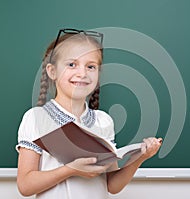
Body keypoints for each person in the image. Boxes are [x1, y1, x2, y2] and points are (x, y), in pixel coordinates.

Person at [16, 28, 162, 199]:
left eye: (91, 66)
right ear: (52, 71)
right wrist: (70, 170)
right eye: (72, 64)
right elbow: (25, 185)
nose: (82, 73)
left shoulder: (103, 121)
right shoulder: (36, 118)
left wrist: (139, 158)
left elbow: (112, 186)